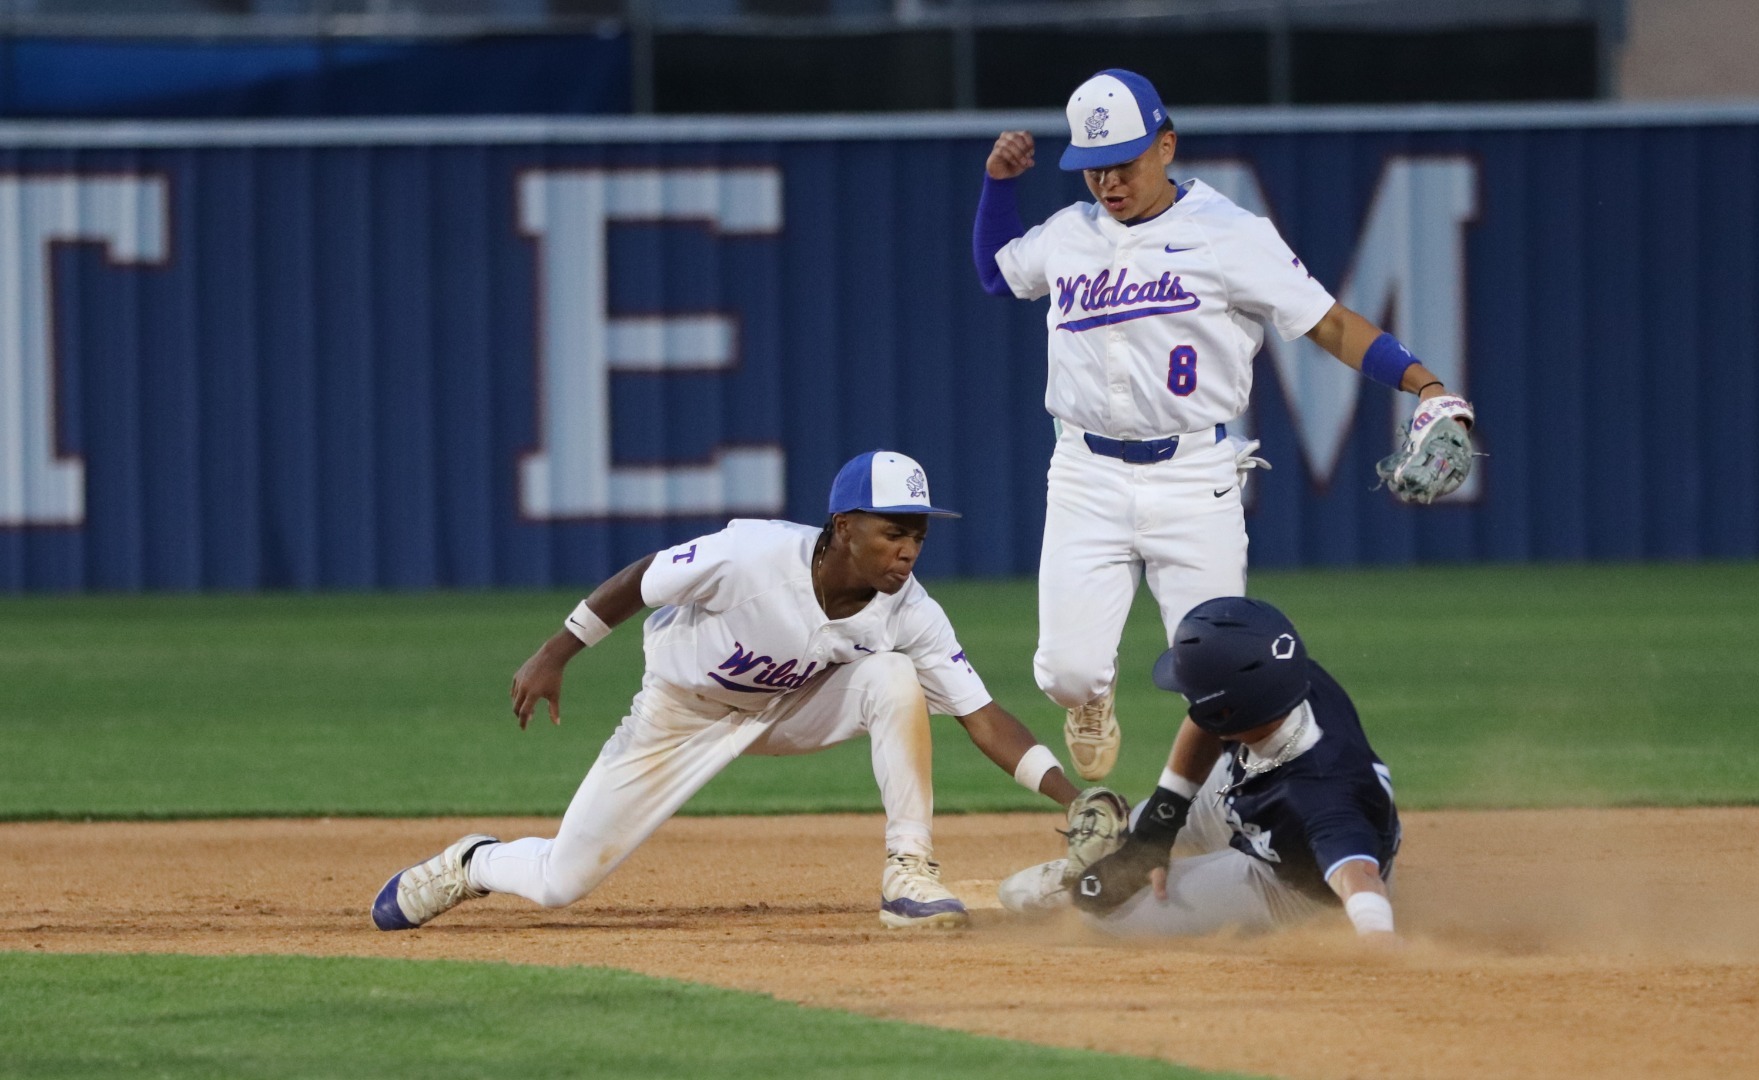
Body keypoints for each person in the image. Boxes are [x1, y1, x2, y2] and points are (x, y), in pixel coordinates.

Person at [973, 69, 1474, 781]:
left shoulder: (1229, 235)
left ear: (1166, 144)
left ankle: (1253, 818)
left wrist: (1424, 382)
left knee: (1225, 674)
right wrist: (998, 184)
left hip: (1193, 476)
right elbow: (1000, 274)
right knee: (1067, 675)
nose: (1108, 182)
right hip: (1085, 474)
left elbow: (1328, 321)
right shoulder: (1068, 235)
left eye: (1125, 161)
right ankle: (1093, 698)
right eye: (1093, 168)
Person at [370, 450, 1080, 933]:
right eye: (894, 532)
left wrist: (1076, 803)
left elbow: (981, 716)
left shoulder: (911, 609)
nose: (908, 551)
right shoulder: (752, 555)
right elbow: (644, 579)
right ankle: (472, 862)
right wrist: (557, 651)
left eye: (918, 536)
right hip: (679, 714)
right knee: (560, 881)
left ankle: (910, 873)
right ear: (844, 527)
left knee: (893, 675)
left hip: (789, 709)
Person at [998, 596, 1401, 940]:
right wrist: (1159, 827)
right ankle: (1131, 845)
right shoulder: (1284, 678)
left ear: (1226, 711)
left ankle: (1071, 894)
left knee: (1097, 912)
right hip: (1247, 779)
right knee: (1131, 832)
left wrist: (1378, 937)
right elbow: (1204, 719)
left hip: (1290, 883)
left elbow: (1358, 873)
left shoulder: (1321, 799)